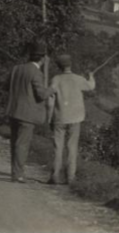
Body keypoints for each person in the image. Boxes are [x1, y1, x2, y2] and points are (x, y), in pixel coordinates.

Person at [6, 40, 56, 183]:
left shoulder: (17, 68)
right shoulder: (36, 73)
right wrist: (52, 89)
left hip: (13, 110)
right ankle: (17, 175)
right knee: (22, 144)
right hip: (27, 114)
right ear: (43, 58)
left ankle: (15, 172)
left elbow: (6, 86)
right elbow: (41, 95)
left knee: (15, 143)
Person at [48, 54, 95, 185]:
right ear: (70, 65)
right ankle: (70, 178)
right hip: (75, 118)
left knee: (58, 147)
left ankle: (55, 176)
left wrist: (49, 117)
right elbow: (91, 86)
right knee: (72, 147)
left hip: (59, 117)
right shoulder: (78, 79)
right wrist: (91, 76)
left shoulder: (56, 79)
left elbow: (50, 101)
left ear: (58, 66)